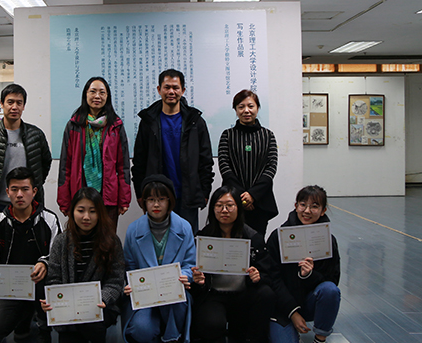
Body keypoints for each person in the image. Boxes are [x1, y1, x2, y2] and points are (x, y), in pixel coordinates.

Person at [0, 167, 61, 343]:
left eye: (25, 189)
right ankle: (24, 316)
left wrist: (44, 262)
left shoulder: (50, 219)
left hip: (41, 284)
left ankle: (44, 331)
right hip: (11, 288)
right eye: (14, 189)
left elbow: (56, 256)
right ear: (7, 192)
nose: (19, 194)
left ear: (34, 191)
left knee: (44, 277)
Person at [190, 186, 275, 343]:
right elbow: (195, 279)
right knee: (211, 324)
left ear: (239, 208)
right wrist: (199, 280)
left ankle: (251, 340)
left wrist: (258, 276)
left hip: (243, 293)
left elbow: (268, 273)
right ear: (212, 209)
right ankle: (215, 338)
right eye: (219, 205)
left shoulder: (253, 237)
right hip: (214, 295)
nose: (224, 210)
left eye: (230, 205)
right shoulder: (203, 237)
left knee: (266, 294)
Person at [40, 187, 125, 343]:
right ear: (72, 212)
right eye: (81, 210)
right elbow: (54, 278)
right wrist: (53, 300)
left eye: (93, 211)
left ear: (100, 213)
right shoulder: (61, 242)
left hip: (100, 307)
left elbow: (116, 280)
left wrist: (103, 298)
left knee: (93, 327)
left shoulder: (112, 241)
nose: (86, 217)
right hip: (69, 313)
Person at [132, 68, 214, 234]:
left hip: (187, 195)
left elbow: (205, 161)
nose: (171, 92)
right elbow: (139, 161)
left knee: (187, 240)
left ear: (183, 90)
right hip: (156, 196)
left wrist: (204, 192)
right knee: (157, 242)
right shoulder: (148, 122)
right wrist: (141, 193)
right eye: (167, 87)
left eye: (176, 88)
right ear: (159, 89)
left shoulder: (195, 122)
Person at [122, 174, 195, 343]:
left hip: (174, 293)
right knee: (141, 329)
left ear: (170, 201)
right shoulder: (133, 230)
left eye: (161, 199)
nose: (156, 205)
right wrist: (130, 284)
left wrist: (185, 276)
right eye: (151, 200)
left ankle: (172, 340)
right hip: (145, 294)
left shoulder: (185, 227)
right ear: (144, 202)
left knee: (179, 304)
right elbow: (130, 267)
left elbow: (189, 263)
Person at [267, 185, 341, 343]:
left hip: (309, 302)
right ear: (296, 206)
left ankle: (319, 342)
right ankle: (290, 331)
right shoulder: (278, 237)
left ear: (323, 211)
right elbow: (272, 279)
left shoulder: (328, 241)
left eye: (314, 206)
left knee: (330, 290)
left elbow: (332, 279)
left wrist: (309, 275)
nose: (307, 211)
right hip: (282, 307)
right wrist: (292, 312)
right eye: (303, 205)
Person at [57, 76, 131, 230]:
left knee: (106, 240)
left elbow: (123, 166)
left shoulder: (115, 126)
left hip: (108, 198)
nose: (97, 96)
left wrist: (124, 199)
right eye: (93, 91)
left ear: (107, 96)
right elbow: (65, 166)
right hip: (79, 196)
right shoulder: (74, 125)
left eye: (102, 92)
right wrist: (64, 200)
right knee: (79, 241)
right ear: (85, 94)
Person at [0, 83, 52, 221]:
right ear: (1, 104)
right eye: (10, 102)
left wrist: (35, 186)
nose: (14, 107)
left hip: (30, 204)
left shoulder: (36, 135)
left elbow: (45, 163)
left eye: (19, 103)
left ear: (23, 106)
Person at [218, 88, 278, 236]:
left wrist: (253, 195)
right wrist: (242, 197)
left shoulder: (268, 135)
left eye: (251, 106)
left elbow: (271, 167)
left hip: (260, 201)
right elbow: (224, 166)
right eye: (241, 107)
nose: (246, 110)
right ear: (235, 110)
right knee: (232, 241)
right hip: (232, 200)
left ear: (257, 108)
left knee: (257, 241)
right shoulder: (227, 135)